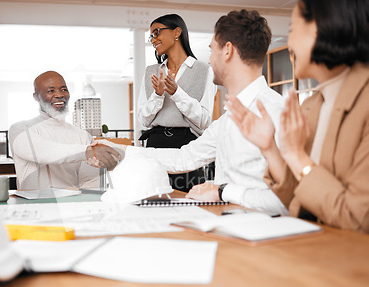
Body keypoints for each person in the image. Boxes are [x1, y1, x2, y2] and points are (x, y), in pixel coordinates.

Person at [100, 10, 288, 216]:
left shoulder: (276, 112)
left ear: (227, 50)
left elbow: (287, 200)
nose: (209, 60)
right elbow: (183, 158)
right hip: (231, 225)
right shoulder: (227, 120)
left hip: (262, 234)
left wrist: (222, 191)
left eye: (211, 50)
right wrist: (118, 149)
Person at [227, 0, 369, 232]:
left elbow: (357, 219)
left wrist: (296, 157)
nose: (289, 42)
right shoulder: (312, 104)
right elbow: (300, 199)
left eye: (292, 29)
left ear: (322, 27)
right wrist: (269, 148)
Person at [137, 14, 217, 192]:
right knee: (152, 203)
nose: (153, 39)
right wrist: (157, 96)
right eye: (151, 36)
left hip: (187, 148)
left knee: (191, 205)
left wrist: (177, 93)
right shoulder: (151, 71)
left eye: (157, 32)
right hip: (155, 146)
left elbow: (205, 121)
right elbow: (143, 120)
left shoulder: (205, 72)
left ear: (177, 32)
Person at [9, 71, 121, 190]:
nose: (59, 95)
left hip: (70, 204)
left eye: (64, 89)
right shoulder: (20, 129)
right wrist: (86, 151)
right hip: (33, 206)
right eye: (51, 91)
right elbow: (43, 151)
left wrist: (106, 165)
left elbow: (89, 181)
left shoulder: (83, 136)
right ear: (36, 96)